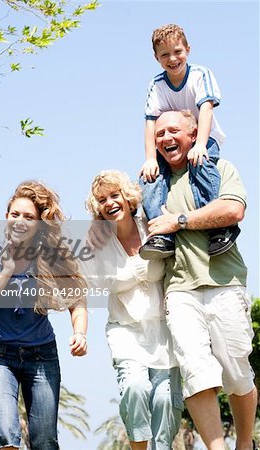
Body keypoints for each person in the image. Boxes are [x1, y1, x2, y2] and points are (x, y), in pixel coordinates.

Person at [147, 110, 257, 450]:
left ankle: (243, 442)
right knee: (196, 372)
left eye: (173, 131)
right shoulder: (154, 186)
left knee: (236, 371)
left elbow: (232, 210)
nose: (165, 138)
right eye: (159, 132)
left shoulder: (220, 169)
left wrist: (178, 221)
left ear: (194, 133)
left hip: (225, 282)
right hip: (180, 290)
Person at [0, 180, 87, 450]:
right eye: (15, 215)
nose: (20, 221)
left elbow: (77, 299)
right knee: (6, 436)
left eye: (29, 217)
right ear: (6, 216)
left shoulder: (51, 255)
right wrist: (5, 272)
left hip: (42, 355)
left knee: (45, 442)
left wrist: (80, 332)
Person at [85, 170, 182, 450]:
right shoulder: (98, 240)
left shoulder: (150, 224)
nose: (110, 203)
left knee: (165, 400)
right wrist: (144, 267)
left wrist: (130, 274)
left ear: (127, 198)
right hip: (126, 330)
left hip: (164, 329)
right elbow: (106, 283)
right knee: (135, 388)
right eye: (102, 199)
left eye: (114, 195)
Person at [139, 23, 239, 259]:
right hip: (174, 139)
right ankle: (161, 233)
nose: (172, 59)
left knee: (201, 165)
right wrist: (150, 159)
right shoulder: (157, 85)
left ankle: (218, 227)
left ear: (188, 50)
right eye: (165, 55)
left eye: (177, 52)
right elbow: (150, 122)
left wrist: (201, 145)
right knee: (149, 177)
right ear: (156, 58)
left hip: (203, 136)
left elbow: (206, 109)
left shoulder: (199, 74)